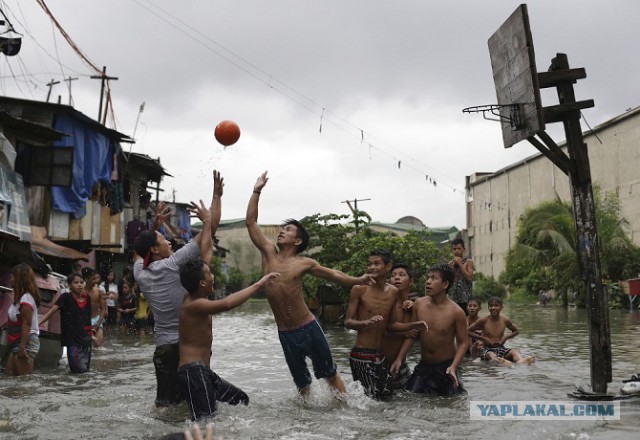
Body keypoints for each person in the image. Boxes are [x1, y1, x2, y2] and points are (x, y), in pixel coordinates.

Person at [246, 171, 375, 396]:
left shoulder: (304, 263)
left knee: (330, 374)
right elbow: (251, 222)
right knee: (302, 384)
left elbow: (333, 275)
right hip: (285, 333)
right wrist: (256, 190)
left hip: (307, 328)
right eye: (282, 229)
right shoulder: (268, 254)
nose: (281, 232)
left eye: (287, 230)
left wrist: (359, 279)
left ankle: (345, 411)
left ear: (297, 240)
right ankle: (307, 424)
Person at [133, 170, 223, 408]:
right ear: (154, 250)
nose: (169, 241)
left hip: (163, 348)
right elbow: (209, 232)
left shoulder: (139, 273)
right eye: (163, 240)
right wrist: (214, 201)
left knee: (163, 406)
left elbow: (138, 251)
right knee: (192, 405)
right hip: (187, 347)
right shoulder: (174, 264)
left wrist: (154, 226)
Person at [178, 256, 280, 420]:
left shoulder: (196, 299)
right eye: (209, 273)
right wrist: (258, 284)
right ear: (202, 283)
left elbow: (206, 253)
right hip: (194, 372)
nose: (213, 276)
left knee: (240, 400)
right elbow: (226, 304)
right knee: (206, 422)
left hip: (203, 372)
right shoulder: (194, 304)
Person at [344, 251, 427, 400]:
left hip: (380, 357)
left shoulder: (393, 292)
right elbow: (348, 322)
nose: (371, 267)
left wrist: (414, 325)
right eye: (369, 264)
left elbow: (391, 325)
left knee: (386, 398)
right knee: (373, 400)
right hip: (362, 354)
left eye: (376, 263)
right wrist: (365, 322)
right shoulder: (359, 289)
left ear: (387, 266)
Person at [390, 264, 468, 396]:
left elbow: (463, 342)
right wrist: (399, 358)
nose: (427, 281)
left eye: (433, 278)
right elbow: (413, 334)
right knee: (410, 397)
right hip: (424, 366)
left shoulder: (456, 312)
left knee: (454, 401)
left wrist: (454, 366)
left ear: (445, 284)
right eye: (427, 278)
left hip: (447, 366)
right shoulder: (419, 304)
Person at [39, 273, 93, 373]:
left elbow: (87, 319)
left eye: (81, 282)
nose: (80, 285)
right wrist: (38, 323)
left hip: (86, 341)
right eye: (76, 282)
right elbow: (51, 312)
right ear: (69, 285)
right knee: (78, 371)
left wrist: (92, 336)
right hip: (72, 342)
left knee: (85, 371)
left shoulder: (88, 298)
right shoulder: (65, 297)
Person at [467, 296, 536, 366]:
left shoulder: (505, 320)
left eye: (496, 306)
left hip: (500, 348)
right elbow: (468, 331)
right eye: (491, 306)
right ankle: (502, 361)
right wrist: (483, 339)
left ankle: (521, 361)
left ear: (501, 307)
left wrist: (505, 338)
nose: (493, 308)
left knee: (514, 351)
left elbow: (516, 331)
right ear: (488, 308)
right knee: (491, 355)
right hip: (487, 349)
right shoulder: (483, 320)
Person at [382, 263, 420, 391]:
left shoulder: (411, 307)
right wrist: (403, 333)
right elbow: (378, 331)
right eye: (393, 276)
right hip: (380, 363)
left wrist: (399, 359)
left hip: (400, 364)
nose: (396, 278)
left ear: (411, 282)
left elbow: (413, 334)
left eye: (401, 275)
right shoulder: (385, 304)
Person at [5, 263, 41, 376]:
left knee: (23, 381)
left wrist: (22, 347)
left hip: (26, 342)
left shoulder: (26, 297)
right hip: (18, 341)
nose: (10, 280)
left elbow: (27, 324)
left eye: (12, 277)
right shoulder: (19, 298)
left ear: (19, 279)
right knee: (10, 376)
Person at [448, 238, 474, 315]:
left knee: (465, 321)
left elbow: (469, 277)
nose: (457, 251)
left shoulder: (468, 262)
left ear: (463, 249)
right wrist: (450, 269)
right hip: (453, 299)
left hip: (465, 299)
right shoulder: (450, 263)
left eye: (459, 248)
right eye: (454, 249)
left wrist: (460, 264)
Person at [82, 267, 105, 347]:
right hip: (84, 321)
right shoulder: (81, 292)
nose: (96, 281)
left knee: (98, 345)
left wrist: (98, 323)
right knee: (85, 346)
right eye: (93, 279)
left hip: (96, 320)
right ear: (86, 279)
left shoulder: (98, 291)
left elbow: (102, 309)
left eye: (96, 278)